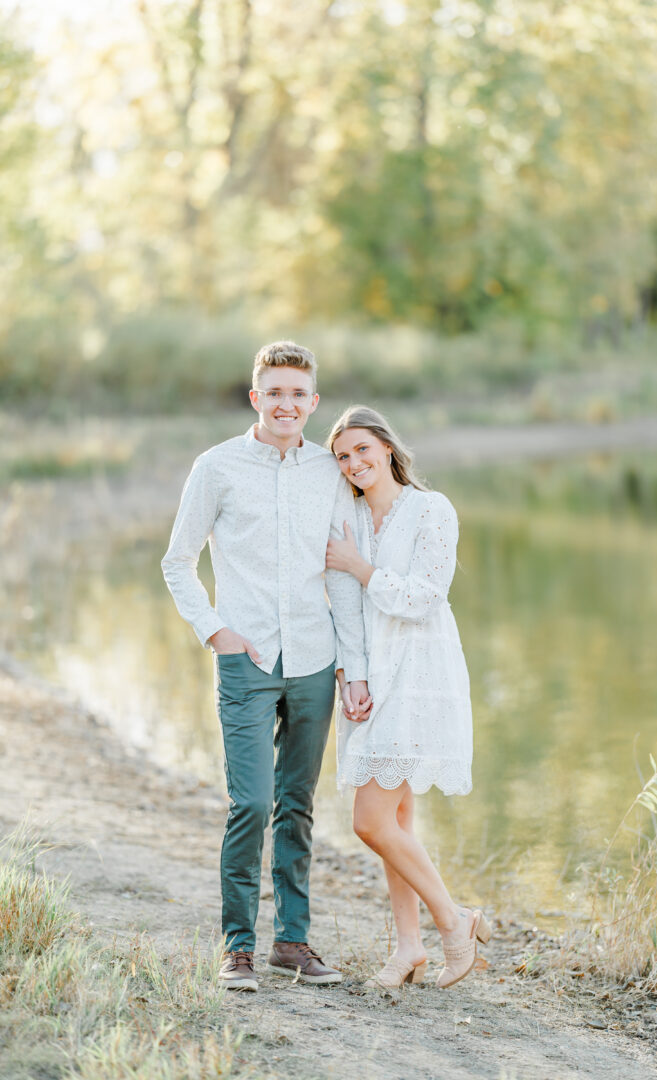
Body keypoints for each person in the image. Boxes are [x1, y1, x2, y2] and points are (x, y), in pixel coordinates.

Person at [162, 342, 370, 992]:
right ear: (257, 398)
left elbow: (341, 574)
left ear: (313, 403)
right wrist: (214, 631)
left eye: (297, 394)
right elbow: (177, 561)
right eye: (273, 392)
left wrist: (352, 665)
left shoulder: (329, 473)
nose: (286, 404)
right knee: (250, 802)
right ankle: (238, 948)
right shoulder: (216, 467)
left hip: (314, 657)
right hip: (246, 658)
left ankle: (293, 943)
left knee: (297, 804)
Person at [325, 405, 491, 991]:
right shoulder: (345, 517)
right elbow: (344, 609)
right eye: (342, 456)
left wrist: (361, 567)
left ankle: (453, 920)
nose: (353, 463)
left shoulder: (431, 509)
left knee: (370, 822)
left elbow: (423, 598)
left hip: (420, 671)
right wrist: (353, 677)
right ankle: (408, 948)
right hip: (372, 677)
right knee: (393, 819)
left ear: (388, 449)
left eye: (362, 450)